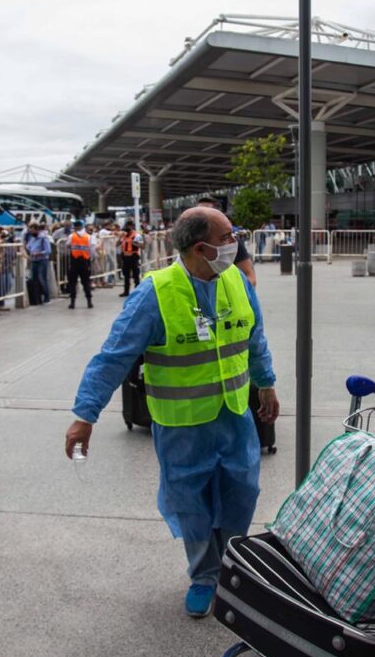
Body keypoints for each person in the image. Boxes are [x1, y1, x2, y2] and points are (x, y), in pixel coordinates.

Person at [64, 206, 279, 618]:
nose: (235, 243)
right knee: (191, 501)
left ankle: (232, 568)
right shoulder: (155, 293)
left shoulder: (236, 280)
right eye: (227, 236)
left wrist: (266, 382)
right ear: (201, 247)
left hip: (235, 414)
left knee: (242, 492)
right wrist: (84, 415)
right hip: (182, 424)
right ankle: (204, 575)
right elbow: (113, 357)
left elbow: (254, 337)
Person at [66, 220, 93, 309]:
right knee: (86, 282)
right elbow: (91, 248)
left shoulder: (71, 236)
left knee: (73, 282)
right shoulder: (88, 237)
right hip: (85, 261)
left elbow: (67, 245)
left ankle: (72, 302)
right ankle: (89, 301)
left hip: (74, 261)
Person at [26, 223, 52, 304]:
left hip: (42, 260)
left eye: (32, 229)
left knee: (42, 279)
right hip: (34, 260)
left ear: (37, 229)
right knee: (33, 279)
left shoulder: (43, 238)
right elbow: (29, 247)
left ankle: (46, 296)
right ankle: (37, 297)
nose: (30, 231)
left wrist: (39, 253)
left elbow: (48, 250)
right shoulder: (32, 238)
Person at [118, 221, 143, 297]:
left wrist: (133, 242)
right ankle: (126, 291)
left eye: (128, 226)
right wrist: (120, 238)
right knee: (126, 275)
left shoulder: (137, 235)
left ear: (131, 226)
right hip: (125, 258)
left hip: (133, 257)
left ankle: (138, 292)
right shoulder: (124, 236)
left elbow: (142, 246)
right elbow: (117, 244)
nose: (126, 229)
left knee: (136, 275)